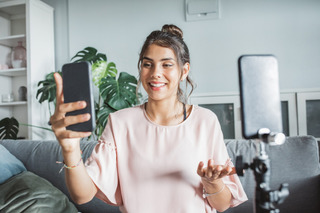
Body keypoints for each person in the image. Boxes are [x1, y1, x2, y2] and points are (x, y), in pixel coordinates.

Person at [50, 24, 247, 213]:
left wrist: (212, 181)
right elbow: (82, 196)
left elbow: (222, 205)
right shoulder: (120, 123)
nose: (155, 74)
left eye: (167, 65)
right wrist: (70, 149)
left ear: (184, 70)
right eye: (147, 64)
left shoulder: (205, 121)